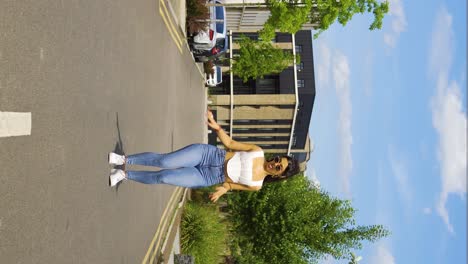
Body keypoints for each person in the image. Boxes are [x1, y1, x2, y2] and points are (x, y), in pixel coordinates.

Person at [108, 110, 300, 202]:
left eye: (278, 167)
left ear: (278, 175)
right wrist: (216, 126)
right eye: (277, 160)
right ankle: (125, 160)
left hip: (209, 177)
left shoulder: (256, 186)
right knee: (164, 161)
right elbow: (231, 144)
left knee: (164, 176)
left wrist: (222, 190)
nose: (274, 163)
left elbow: (231, 185)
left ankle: (125, 175)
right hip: (209, 156)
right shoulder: (257, 151)